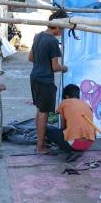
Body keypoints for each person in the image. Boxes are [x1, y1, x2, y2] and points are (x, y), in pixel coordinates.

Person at [29, 10, 68, 155]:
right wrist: (64, 68)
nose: (62, 31)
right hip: (45, 80)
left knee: (40, 110)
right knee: (44, 113)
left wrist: (42, 62)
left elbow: (31, 58)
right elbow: (55, 67)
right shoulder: (52, 41)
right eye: (63, 28)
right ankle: (40, 147)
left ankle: (40, 142)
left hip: (35, 77)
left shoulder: (38, 36)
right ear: (57, 26)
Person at [45, 84, 96, 162]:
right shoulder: (86, 104)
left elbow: (63, 126)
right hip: (88, 144)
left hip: (74, 144)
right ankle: (77, 149)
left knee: (46, 129)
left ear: (66, 96)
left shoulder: (64, 102)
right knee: (71, 132)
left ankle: (72, 149)